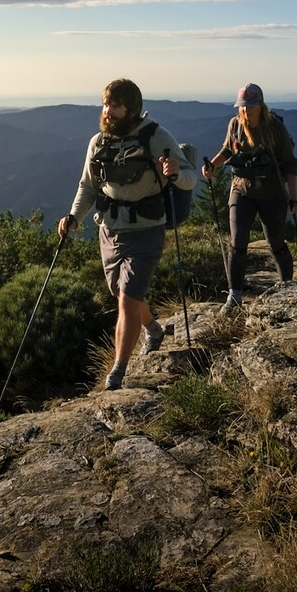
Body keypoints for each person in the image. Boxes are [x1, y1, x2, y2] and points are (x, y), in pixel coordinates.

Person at [59, 78, 196, 390]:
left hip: (147, 229)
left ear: (132, 109)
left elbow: (188, 178)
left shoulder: (156, 136)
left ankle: (118, 371)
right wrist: (73, 217)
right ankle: (153, 328)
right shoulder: (98, 142)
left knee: (127, 299)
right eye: (106, 104)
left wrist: (175, 171)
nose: (108, 111)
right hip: (109, 229)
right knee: (122, 294)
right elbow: (89, 186)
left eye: (116, 105)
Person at [201, 83, 297, 312]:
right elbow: (227, 150)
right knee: (237, 243)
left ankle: (287, 289)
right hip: (241, 189)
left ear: (260, 104)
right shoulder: (235, 125)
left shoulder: (275, 128)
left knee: (275, 243)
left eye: (250, 106)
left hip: (272, 192)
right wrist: (212, 167)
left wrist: (293, 196)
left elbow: (290, 163)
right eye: (242, 106)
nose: (245, 111)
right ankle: (234, 296)